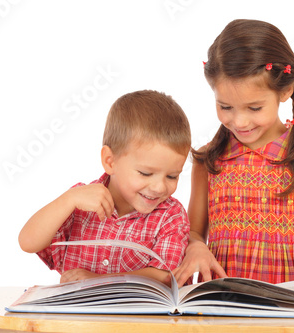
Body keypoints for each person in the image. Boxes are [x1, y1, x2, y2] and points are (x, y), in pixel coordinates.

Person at [173, 19, 294, 300]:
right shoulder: (209, 159)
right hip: (224, 305)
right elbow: (194, 231)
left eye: (254, 107)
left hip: (293, 304)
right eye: (225, 106)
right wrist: (196, 246)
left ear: (284, 91)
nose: (239, 121)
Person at [19, 90, 191, 284]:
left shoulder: (171, 215)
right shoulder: (79, 201)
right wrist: (68, 199)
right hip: (76, 314)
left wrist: (100, 280)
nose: (159, 187)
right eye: (145, 173)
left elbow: (165, 276)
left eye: (172, 176)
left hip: (135, 314)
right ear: (110, 161)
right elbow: (27, 242)